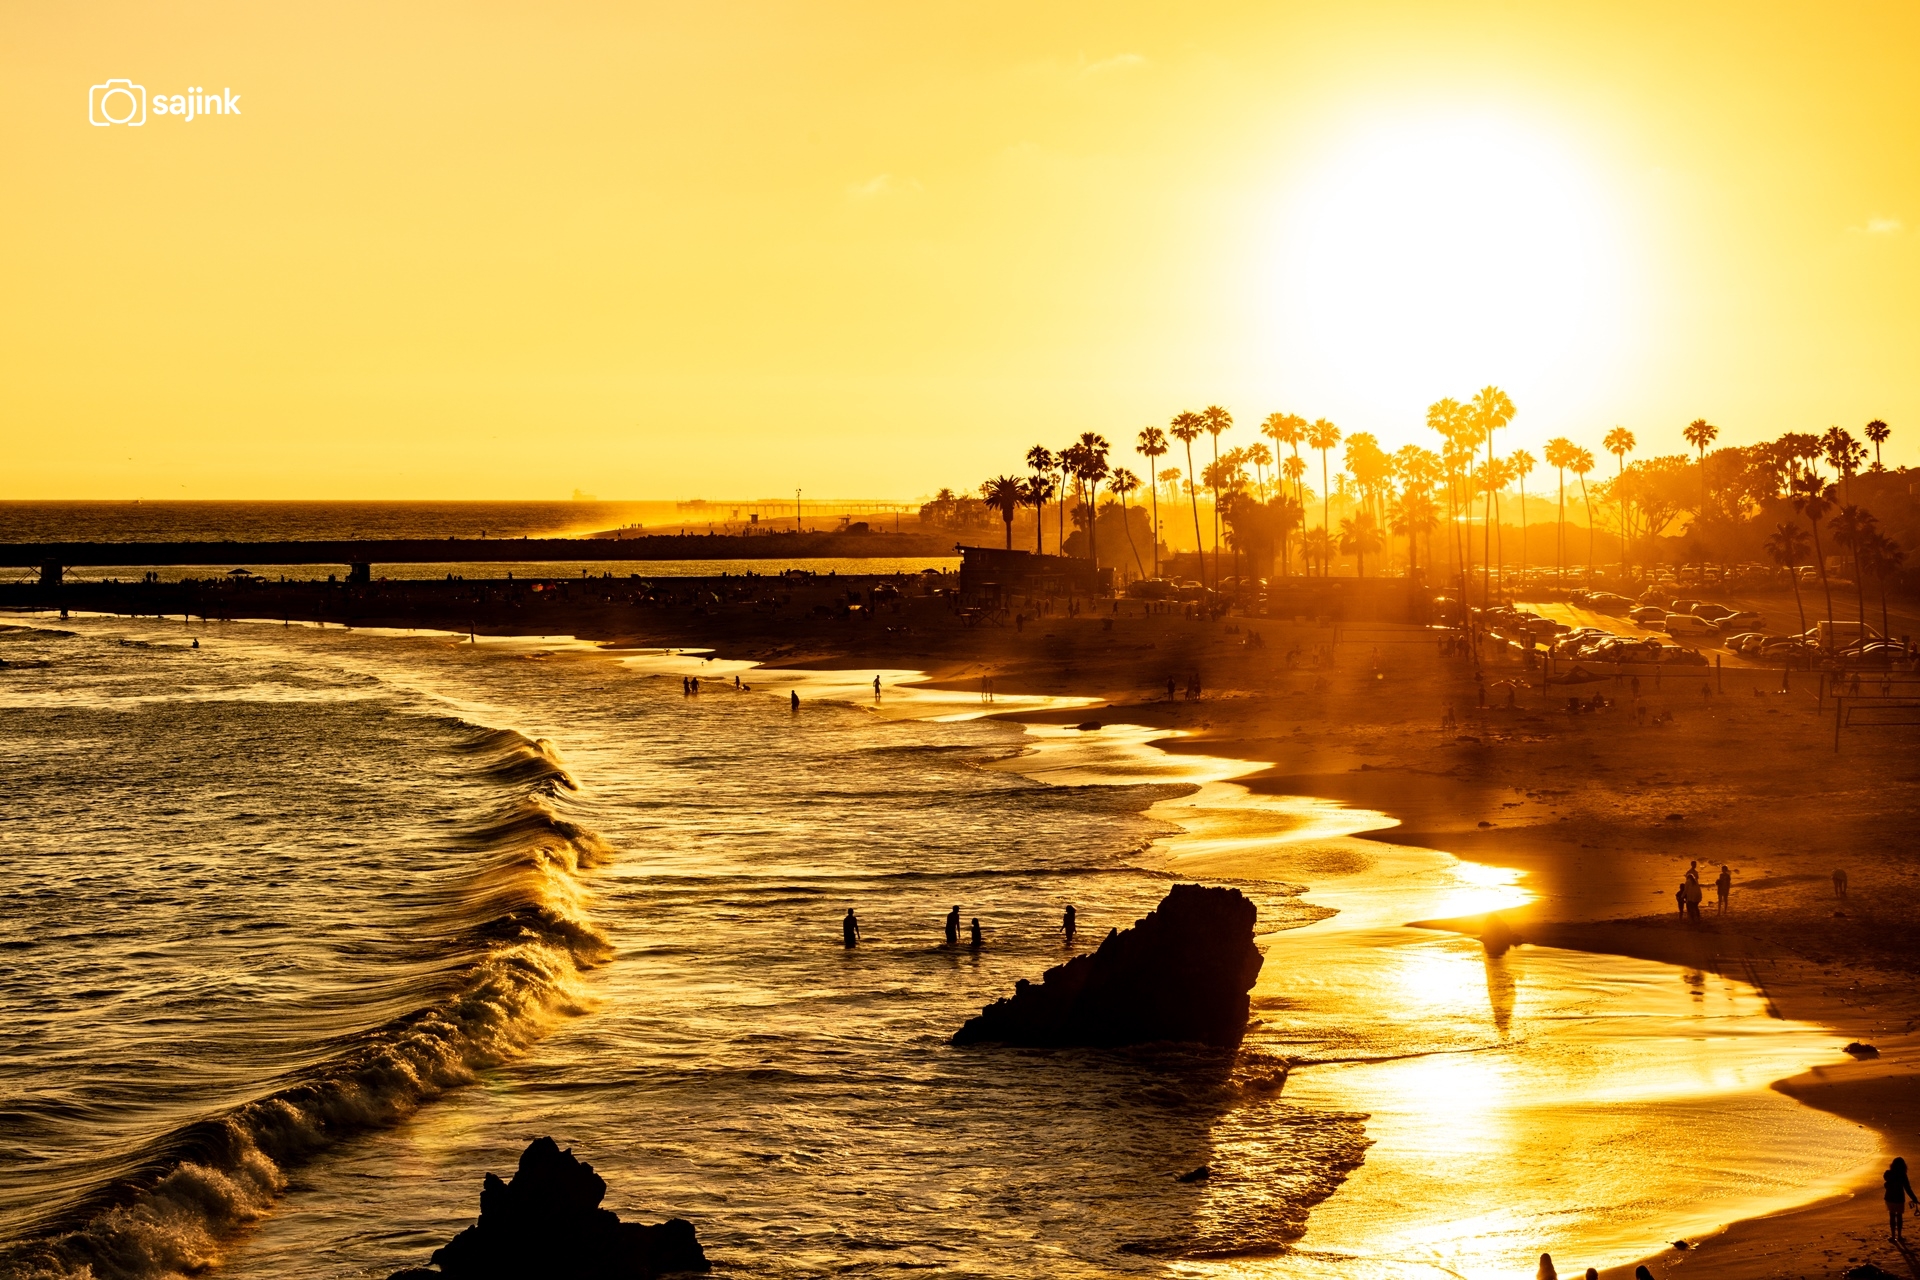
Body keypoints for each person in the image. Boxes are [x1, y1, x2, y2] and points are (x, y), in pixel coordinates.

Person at [1886, 1155, 1917, 1239]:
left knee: (1892, 1216)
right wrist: (1914, 1198)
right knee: (1899, 1216)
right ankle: (1899, 1236)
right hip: (1899, 1198)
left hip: (1889, 1197)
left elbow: (1886, 1182)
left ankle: (1893, 1236)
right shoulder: (1903, 1175)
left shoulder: (1889, 1173)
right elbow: (1907, 1188)